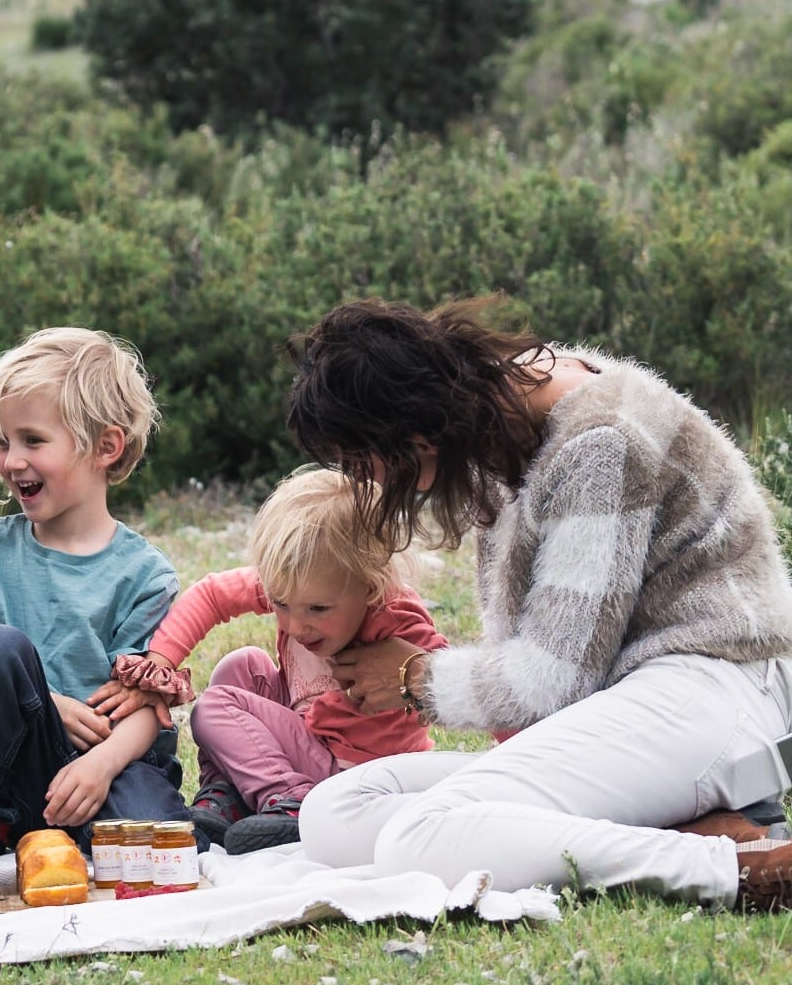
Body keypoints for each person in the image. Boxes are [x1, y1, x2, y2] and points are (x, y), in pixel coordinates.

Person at [282, 297, 792, 912]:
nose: (364, 479)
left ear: (412, 433)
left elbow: (555, 677)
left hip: (714, 683)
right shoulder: (499, 414)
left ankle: (731, 865)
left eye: (360, 458)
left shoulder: (597, 444)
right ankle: (684, 824)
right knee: (335, 814)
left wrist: (413, 676)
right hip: (632, 695)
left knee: (416, 839)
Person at [0, 327, 195, 848]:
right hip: (6, 765)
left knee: (155, 840)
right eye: (2, 442)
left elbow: (148, 706)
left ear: (106, 447)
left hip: (108, 761)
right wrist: (44, 705)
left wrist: (101, 765)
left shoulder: (145, 575)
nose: (11, 461)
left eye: (33, 440)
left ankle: (154, 820)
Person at [96, 468, 448, 856]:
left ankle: (293, 801)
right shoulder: (303, 582)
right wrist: (159, 663)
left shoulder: (395, 616)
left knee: (215, 707)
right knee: (242, 664)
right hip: (309, 739)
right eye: (280, 604)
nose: (296, 625)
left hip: (354, 770)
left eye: (318, 608)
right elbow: (211, 595)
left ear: (371, 582)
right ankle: (226, 794)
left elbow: (447, 675)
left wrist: (412, 669)